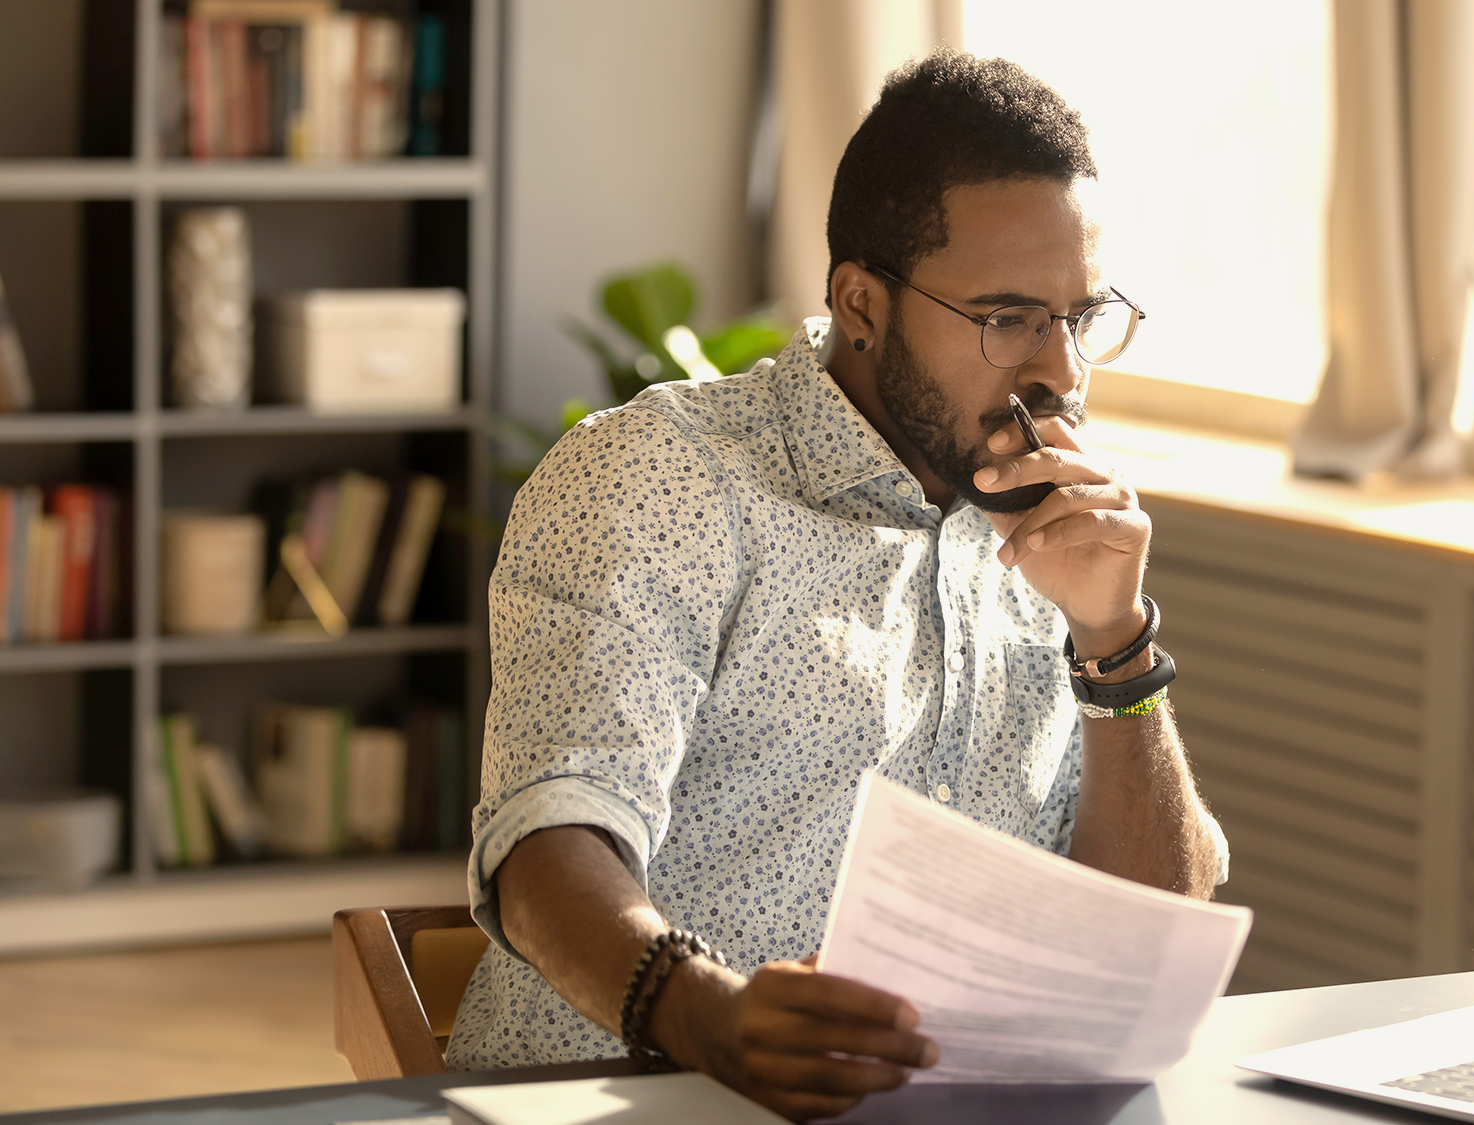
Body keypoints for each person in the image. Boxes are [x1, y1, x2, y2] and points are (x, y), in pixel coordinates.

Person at [444, 49, 1228, 1121]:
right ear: (861, 302)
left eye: (1078, 318)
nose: (1060, 373)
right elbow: (547, 838)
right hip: (623, 1102)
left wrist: (1114, 642)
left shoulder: (1052, 533)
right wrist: (706, 1017)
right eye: (1006, 319)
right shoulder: (660, 478)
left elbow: (1148, 939)